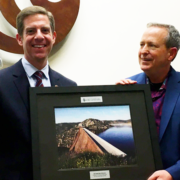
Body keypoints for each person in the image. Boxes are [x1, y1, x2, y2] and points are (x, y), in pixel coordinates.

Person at [0, 6, 77, 180]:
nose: (39, 36)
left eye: (45, 30)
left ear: (53, 37)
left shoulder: (68, 87)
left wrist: (121, 92)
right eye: (31, 31)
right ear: (20, 39)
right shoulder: (1, 84)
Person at [116, 23, 180, 180]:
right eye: (142, 44)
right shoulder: (128, 86)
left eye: (152, 46)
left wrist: (173, 173)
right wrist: (114, 100)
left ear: (171, 54)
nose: (143, 51)